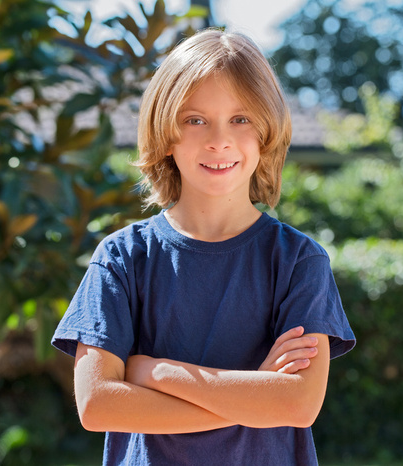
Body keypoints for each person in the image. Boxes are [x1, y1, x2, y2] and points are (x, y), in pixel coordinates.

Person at [51, 28, 356, 465]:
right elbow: (98, 405)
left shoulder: (298, 261)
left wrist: (153, 372)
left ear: (266, 132)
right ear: (166, 133)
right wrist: (251, 394)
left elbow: (296, 405)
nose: (218, 140)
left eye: (241, 119)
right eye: (195, 120)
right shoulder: (122, 258)